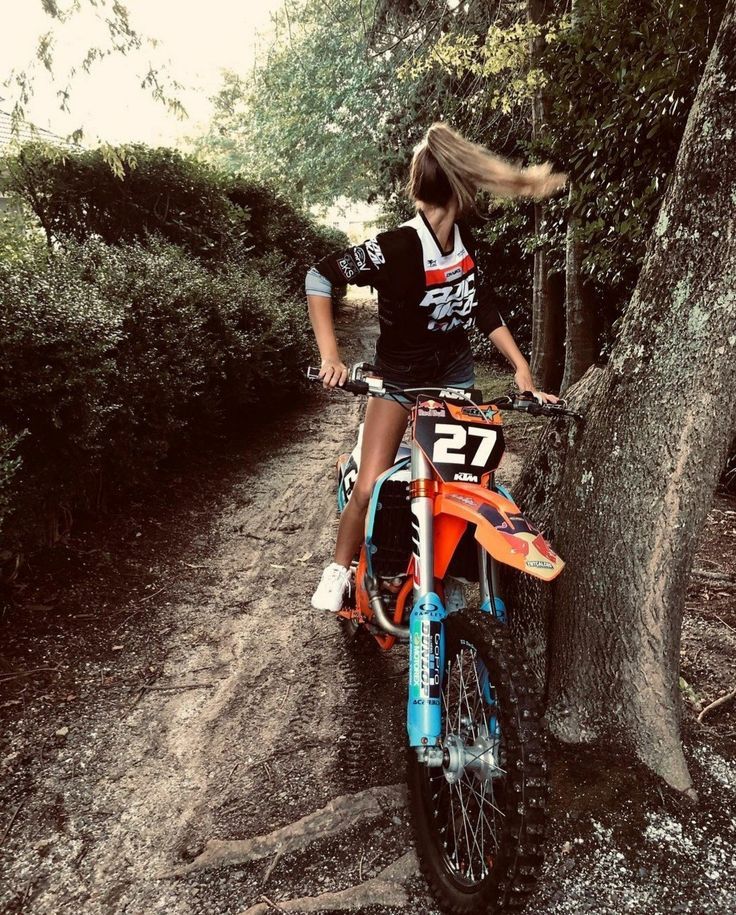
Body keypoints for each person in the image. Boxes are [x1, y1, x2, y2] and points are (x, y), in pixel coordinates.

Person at [305, 122, 566, 612]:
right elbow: (320, 276)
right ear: (458, 188)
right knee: (371, 482)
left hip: (454, 378)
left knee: (465, 484)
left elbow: (480, 305)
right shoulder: (398, 247)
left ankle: (440, 574)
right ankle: (339, 568)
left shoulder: (464, 240)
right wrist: (331, 357)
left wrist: (521, 368)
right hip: (398, 380)